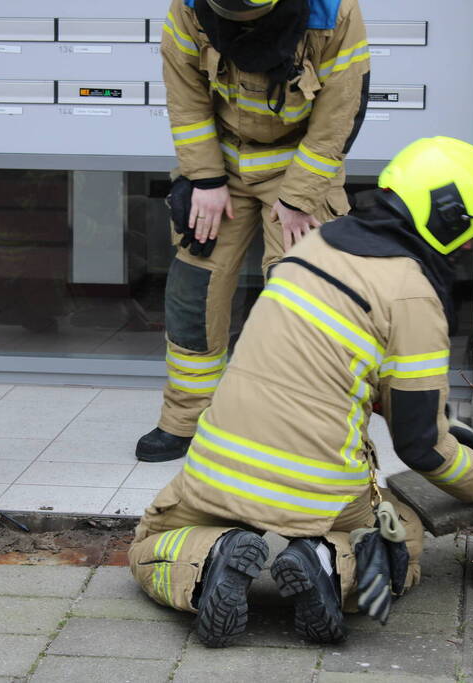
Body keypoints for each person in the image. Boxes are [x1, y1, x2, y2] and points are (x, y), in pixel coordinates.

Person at [128, 136, 473, 647]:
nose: (469, 248)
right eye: (472, 235)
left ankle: (212, 556)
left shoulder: (316, 243)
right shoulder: (412, 294)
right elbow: (422, 448)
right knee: (404, 535)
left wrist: (437, 417)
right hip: (321, 489)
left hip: (216, 470)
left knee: (152, 544)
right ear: (448, 218)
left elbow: (341, 369)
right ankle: (325, 561)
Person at [136, 0, 371, 462]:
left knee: (303, 299)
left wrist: (300, 196)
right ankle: (186, 418)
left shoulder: (334, 12)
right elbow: (186, 99)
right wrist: (203, 178)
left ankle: (295, 427)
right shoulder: (188, 8)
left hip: (299, 166)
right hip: (221, 165)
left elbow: (341, 113)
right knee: (193, 289)